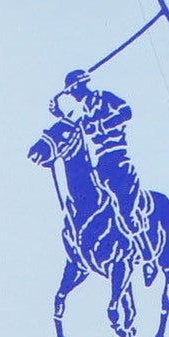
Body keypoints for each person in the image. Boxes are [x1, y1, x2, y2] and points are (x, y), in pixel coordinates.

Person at [52, 69, 158, 276]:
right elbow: (74, 128)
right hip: (99, 165)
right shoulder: (84, 111)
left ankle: (148, 258)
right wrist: (58, 113)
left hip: (119, 163)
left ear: (80, 86)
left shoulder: (104, 98)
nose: (72, 95)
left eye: (73, 91)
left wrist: (101, 124)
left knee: (126, 212)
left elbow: (126, 112)